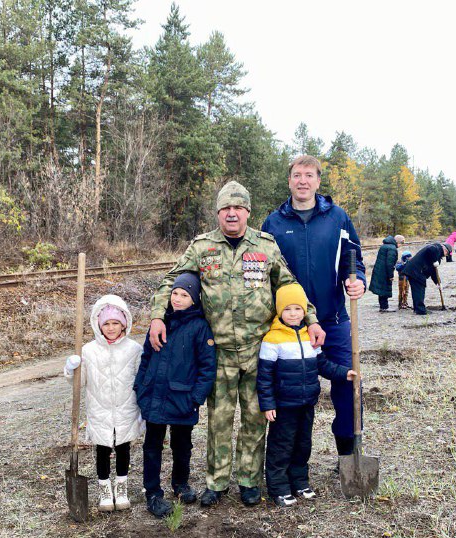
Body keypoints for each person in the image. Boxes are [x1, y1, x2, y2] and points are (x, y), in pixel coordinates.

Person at [148, 181, 323, 508]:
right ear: (218, 213)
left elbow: (289, 286)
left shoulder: (266, 246)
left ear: (247, 212)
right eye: (225, 209)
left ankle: (248, 481)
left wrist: (311, 319)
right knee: (219, 420)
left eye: (238, 208)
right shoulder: (201, 247)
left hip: (258, 351)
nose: (231, 214)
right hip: (219, 353)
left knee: (256, 419)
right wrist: (159, 315)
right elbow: (172, 280)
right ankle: (216, 482)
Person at [261, 155, 366, 461]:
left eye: (309, 175)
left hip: (333, 320)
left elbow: (354, 257)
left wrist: (357, 279)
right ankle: (287, 463)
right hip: (289, 326)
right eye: (297, 175)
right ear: (289, 180)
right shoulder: (274, 222)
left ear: (318, 181)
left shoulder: (337, 217)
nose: (303, 180)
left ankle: (349, 456)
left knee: (348, 385)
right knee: (287, 393)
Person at [257, 284, 355, 507]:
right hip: (284, 405)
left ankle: (300, 482)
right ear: (279, 311)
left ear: (305, 311)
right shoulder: (272, 339)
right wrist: (268, 404)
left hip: (307, 402)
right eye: (288, 309)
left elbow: (322, 364)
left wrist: (343, 373)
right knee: (281, 446)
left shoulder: (310, 336)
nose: (293, 314)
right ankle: (279, 488)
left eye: (298, 309)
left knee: (303, 445)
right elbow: (264, 377)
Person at [134, 273, 217, 518]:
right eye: (175, 294)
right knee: (152, 446)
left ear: (194, 300)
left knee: (182, 445)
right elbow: (146, 357)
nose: (178, 299)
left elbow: (207, 367)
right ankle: (152, 492)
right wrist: (141, 386)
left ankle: (180, 484)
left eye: (185, 295)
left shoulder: (200, 327)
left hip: (182, 399)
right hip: (155, 396)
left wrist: (195, 398)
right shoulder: (159, 323)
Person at [64, 294, 143, 512]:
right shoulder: (88, 351)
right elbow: (79, 383)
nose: (110, 327)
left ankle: (121, 488)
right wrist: (72, 369)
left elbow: (141, 379)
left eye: (115, 323)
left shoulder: (134, 349)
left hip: (126, 407)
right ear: (98, 324)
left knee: (123, 447)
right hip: (99, 408)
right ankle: (105, 491)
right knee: (102, 449)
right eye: (106, 323)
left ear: (124, 323)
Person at [400, 242, 451, 315]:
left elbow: (433, 271)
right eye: (447, 254)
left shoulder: (437, 255)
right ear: (445, 250)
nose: (446, 255)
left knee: (418, 290)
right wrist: (434, 260)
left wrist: (438, 283)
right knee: (419, 290)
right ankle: (420, 310)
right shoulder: (436, 248)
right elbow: (430, 248)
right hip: (416, 270)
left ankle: (417, 309)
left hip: (417, 271)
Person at [369, 234, 403, 312]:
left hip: (380, 270)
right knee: (384, 289)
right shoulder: (392, 248)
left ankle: (383, 305)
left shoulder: (385, 245)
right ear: (398, 242)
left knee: (381, 289)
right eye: (402, 243)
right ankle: (384, 307)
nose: (401, 245)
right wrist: (390, 275)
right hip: (384, 272)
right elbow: (390, 263)